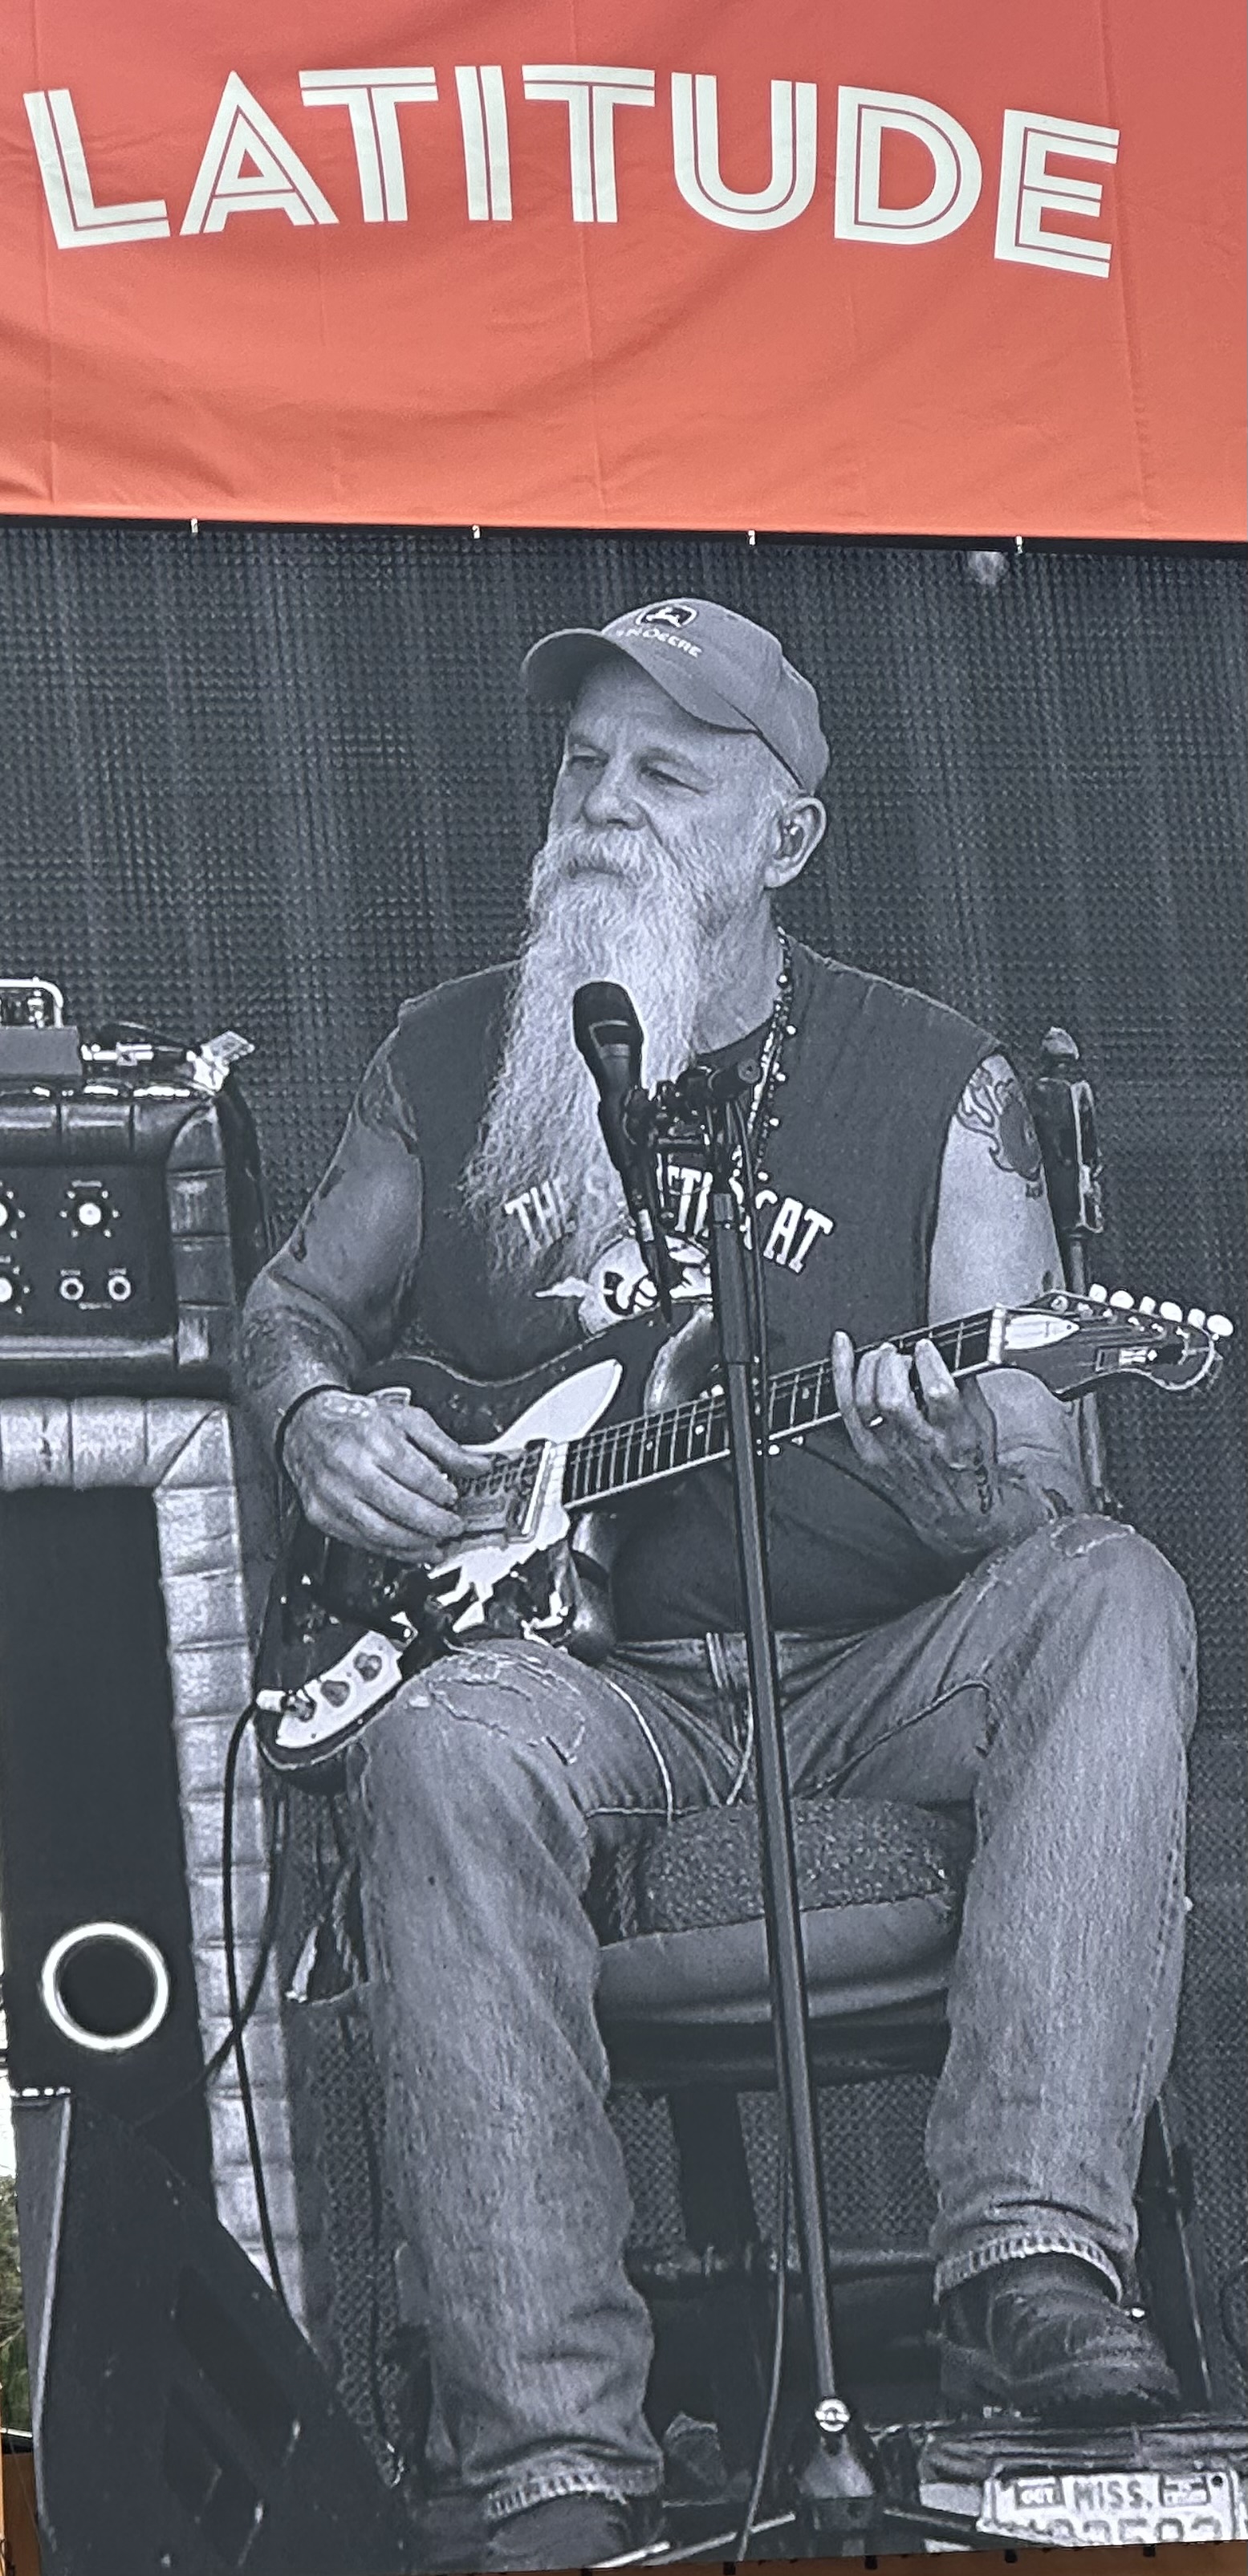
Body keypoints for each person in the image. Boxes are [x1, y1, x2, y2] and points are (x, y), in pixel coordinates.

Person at [240, 598, 1194, 2570]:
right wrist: (318, 1418)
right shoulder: (449, 1053)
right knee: (438, 1749)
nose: (604, 805)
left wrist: (955, 1477)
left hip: (876, 1664)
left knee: (1111, 1591)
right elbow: (290, 1313)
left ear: (784, 837)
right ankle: (551, 2461)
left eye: (666, 776)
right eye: (584, 767)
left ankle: (1028, 2255)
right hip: (579, 1688)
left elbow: (1036, 1479)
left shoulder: (934, 1082)